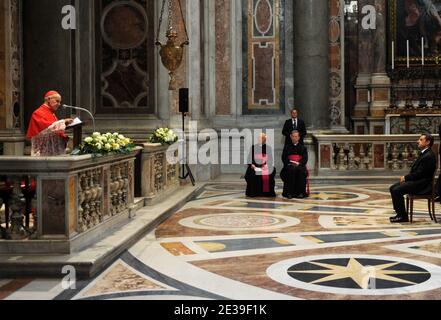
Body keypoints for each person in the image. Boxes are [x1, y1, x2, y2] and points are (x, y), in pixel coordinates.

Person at [389, 133, 437, 223]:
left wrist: (406, 178)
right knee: (392, 188)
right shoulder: (425, 153)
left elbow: (420, 173)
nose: (418, 141)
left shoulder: (428, 156)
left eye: (421, 139)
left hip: (423, 185)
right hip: (419, 181)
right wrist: (407, 178)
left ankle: (402, 216)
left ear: (428, 142)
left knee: (396, 190)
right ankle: (400, 213)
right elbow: (418, 172)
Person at [26, 91, 73, 156]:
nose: (59, 104)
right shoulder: (38, 113)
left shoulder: (51, 113)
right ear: (48, 99)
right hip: (43, 152)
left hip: (53, 151)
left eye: (59, 102)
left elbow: (54, 128)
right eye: (57, 101)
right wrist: (64, 121)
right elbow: (46, 128)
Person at [245, 133, 276, 197]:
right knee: (252, 173)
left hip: (264, 166)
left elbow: (270, 159)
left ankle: (266, 193)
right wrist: (252, 165)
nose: (260, 139)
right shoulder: (253, 147)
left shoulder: (268, 148)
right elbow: (249, 158)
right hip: (255, 166)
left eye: (262, 138)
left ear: (265, 140)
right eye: (259, 138)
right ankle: (254, 192)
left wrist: (267, 165)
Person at [281, 130, 309, 199]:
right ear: (290, 137)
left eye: (296, 136)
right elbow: (284, 157)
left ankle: (301, 193)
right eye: (293, 136)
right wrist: (290, 163)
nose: (294, 138)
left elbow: (305, 158)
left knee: (301, 171)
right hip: (289, 165)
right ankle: (289, 193)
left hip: (300, 165)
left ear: (299, 137)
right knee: (290, 170)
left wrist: (299, 163)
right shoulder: (287, 147)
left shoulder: (303, 148)